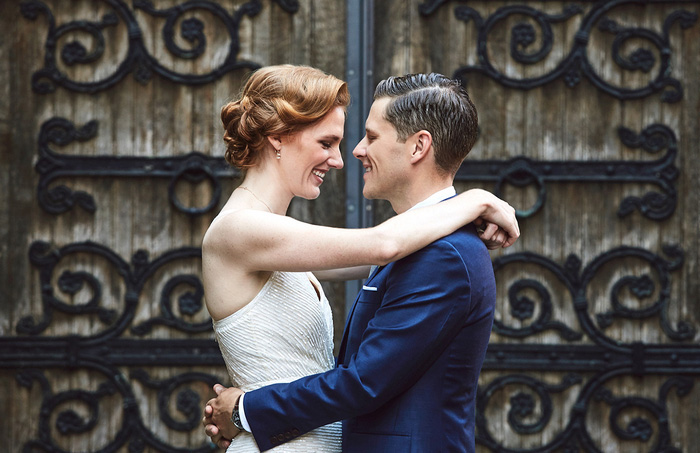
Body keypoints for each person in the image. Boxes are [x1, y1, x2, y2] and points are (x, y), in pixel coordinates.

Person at [202, 66, 519, 452]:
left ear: (418, 146)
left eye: (366, 137)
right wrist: (477, 200)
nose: (343, 157)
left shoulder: (440, 253)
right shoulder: (242, 231)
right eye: (326, 142)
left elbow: (390, 252)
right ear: (278, 138)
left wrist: (245, 413)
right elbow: (383, 246)